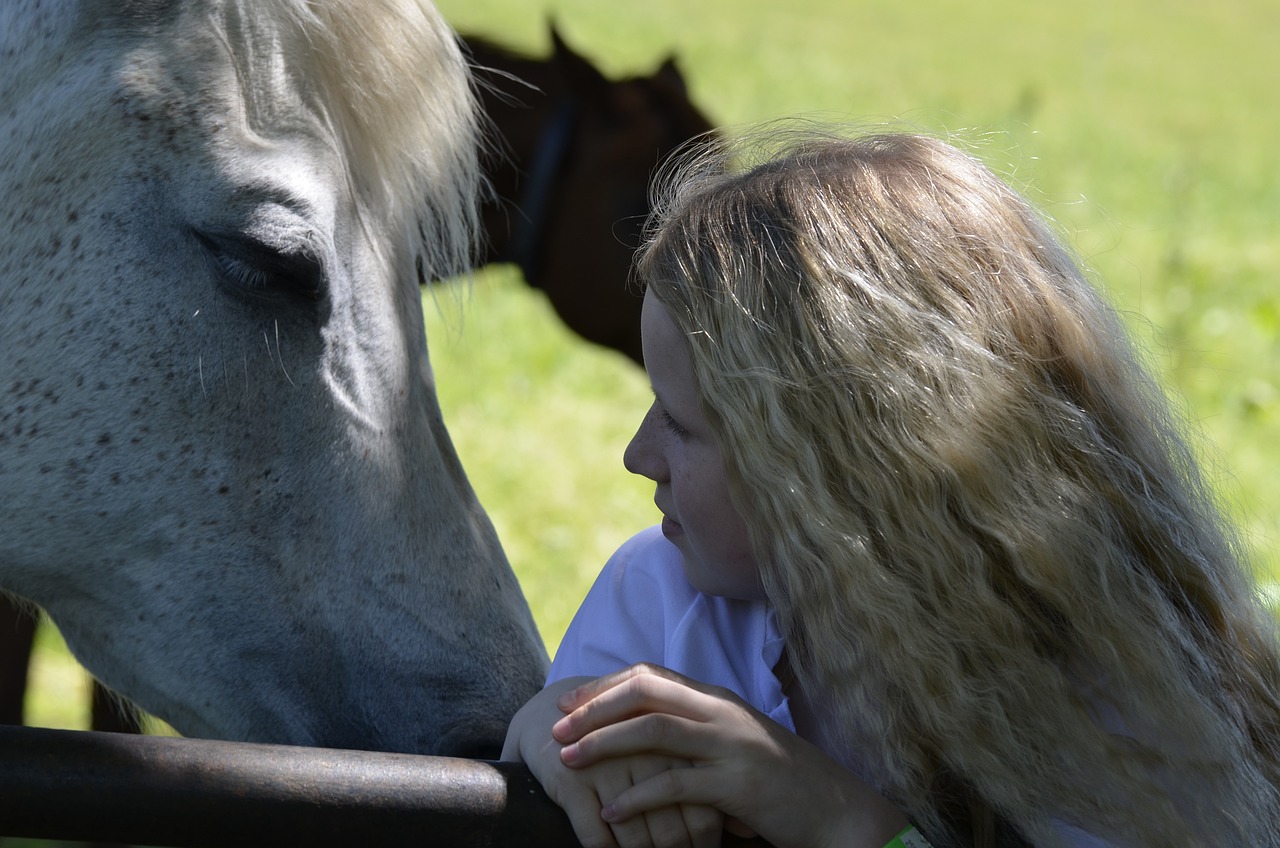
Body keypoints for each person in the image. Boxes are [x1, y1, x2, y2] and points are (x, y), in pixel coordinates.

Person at [502, 127, 1280, 848]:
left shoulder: (1130, 712)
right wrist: (539, 735)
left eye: (681, 422)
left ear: (844, 470)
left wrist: (843, 821)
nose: (638, 455)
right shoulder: (663, 604)